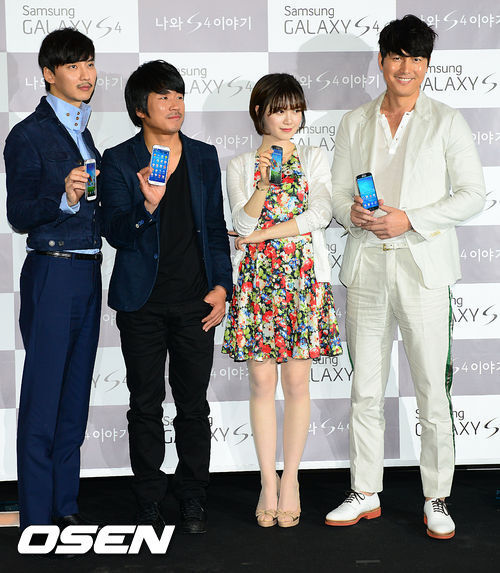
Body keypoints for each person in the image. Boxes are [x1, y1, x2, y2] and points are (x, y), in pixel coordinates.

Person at [325, 15, 485, 539]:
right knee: (365, 390)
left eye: (417, 59)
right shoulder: (355, 121)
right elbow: (336, 194)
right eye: (398, 56)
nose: (406, 68)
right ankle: (365, 490)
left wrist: (409, 219)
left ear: (427, 65)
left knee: (432, 393)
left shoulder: (446, 120)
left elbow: (473, 195)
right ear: (382, 60)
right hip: (367, 267)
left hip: (423, 270)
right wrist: (354, 214)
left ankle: (436, 496)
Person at [99, 60, 232, 535]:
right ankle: (149, 500)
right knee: (145, 404)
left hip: (197, 302)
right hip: (142, 305)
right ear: (140, 109)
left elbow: (214, 227)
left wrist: (223, 287)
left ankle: (193, 497)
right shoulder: (118, 159)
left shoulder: (202, 155)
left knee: (193, 405)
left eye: (179, 95)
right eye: (163, 97)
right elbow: (114, 231)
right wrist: (147, 204)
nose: (175, 104)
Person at [223, 73, 342, 528]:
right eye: (279, 110)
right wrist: (263, 183)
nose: (289, 118)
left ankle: (291, 479)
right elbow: (240, 220)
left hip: (302, 280)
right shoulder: (239, 164)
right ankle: (266, 481)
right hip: (257, 283)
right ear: (259, 113)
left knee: (296, 384)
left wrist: (261, 235)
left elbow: (320, 214)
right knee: (260, 384)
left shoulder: (314, 157)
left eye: (295, 109)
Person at [4, 28, 102, 531]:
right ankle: (37, 515)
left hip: (88, 271)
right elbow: (19, 213)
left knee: (75, 396)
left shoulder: (85, 131)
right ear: (48, 73)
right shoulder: (27, 134)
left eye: (89, 63)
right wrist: (63, 198)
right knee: (44, 398)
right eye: (73, 66)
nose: (86, 75)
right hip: (52, 270)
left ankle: (66, 504)